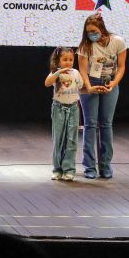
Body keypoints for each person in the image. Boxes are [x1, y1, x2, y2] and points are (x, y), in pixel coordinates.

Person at [77, 13, 127, 179]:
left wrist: (113, 84)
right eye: (88, 32)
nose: (91, 34)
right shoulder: (85, 46)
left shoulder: (118, 41)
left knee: (106, 124)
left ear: (102, 29)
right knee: (90, 125)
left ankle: (105, 166)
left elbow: (121, 67)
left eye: (93, 31)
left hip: (109, 82)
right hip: (90, 82)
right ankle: (89, 167)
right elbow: (82, 70)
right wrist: (89, 87)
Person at [44, 47, 83, 181]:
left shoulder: (76, 73)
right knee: (58, 139)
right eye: (64, 59)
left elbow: (80, 86)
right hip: (59, 108)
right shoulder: (56, 73)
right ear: (58, 60)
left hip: (73, 108)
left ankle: (69, 169)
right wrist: (58, 71)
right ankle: (57, 169)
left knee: (71, 140)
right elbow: (47, 83)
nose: (68, 62)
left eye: (71, 60)